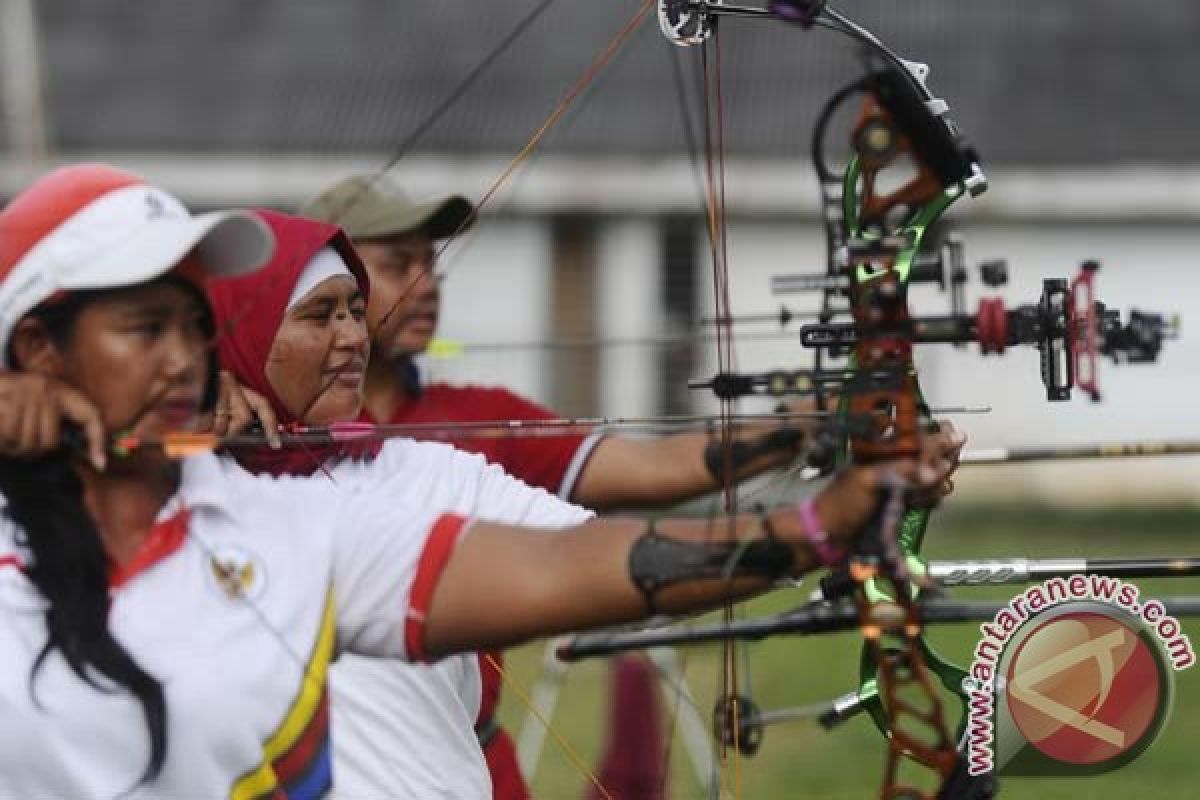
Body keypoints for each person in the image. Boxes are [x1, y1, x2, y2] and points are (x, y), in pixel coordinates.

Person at [0, 165, 961, 799]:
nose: (181, 360)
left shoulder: (303, 518)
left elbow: (584, 563)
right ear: (36, 351)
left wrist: (821, 519)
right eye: (145, 330)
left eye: (191, 326)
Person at [301, 173, 828, 798]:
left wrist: (809, 426)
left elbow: (650, 473)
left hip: (458, 754)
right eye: (398, 263)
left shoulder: (476, 421)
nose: (428, 283)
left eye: (433, 263)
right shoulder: (234, 427)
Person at [207, 208, 595, 798]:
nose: (353, 337)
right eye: (320, 315)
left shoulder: (428, 470)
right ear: (245, 331)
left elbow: (594, 556)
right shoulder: (173, 486)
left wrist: (782, 534)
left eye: (356, 312)